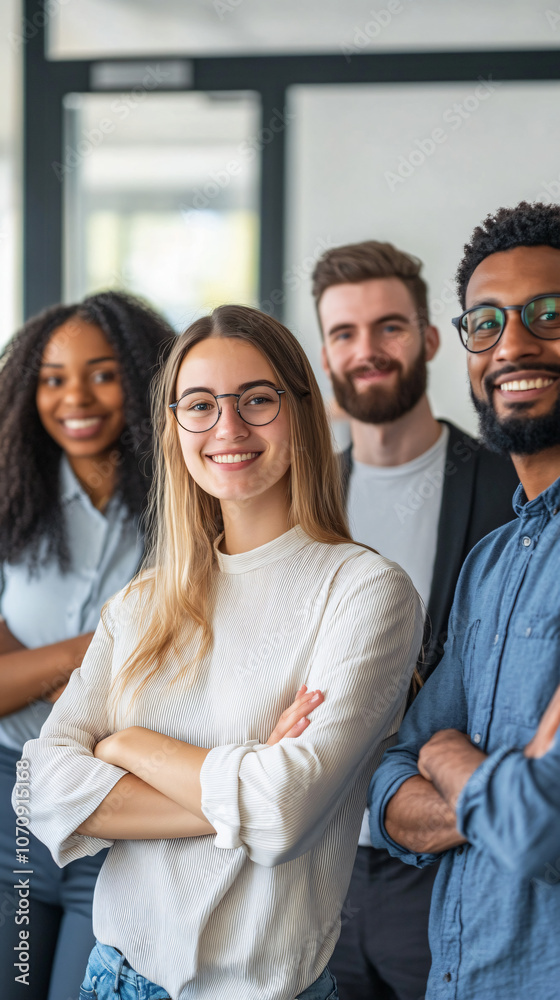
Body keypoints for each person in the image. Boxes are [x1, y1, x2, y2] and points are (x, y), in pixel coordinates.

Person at [20, 305, 423, 1000]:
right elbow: (44, 786)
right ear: (174, 429)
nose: (228, 429)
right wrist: (243, 788)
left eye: (257, 400)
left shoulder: (365, 591)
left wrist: (126, 745)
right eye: (200, 405)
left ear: (300, 412)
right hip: (113, 975)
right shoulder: (143, 601)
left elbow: (285, 811)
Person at [311, 240, 518, 1000]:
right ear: (326, 353)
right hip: (318, 860)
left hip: (448, 861)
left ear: (431, 339)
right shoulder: (305, 501)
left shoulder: (509, 488)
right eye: (344, 333)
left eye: (390, 327)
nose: (368, 351)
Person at [369, 201, 560, 998]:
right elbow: (386, 779)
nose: (513, 344)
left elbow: (543, 832)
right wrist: (496, 786)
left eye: (548, 314)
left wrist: (450, 759)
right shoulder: (490, 563)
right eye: (486, 322)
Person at [0, 291, 173, 1000]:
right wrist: (103, 648)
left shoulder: (185, 505)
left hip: (120, 821)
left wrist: (35, 666)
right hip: (11, 815)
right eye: (52, 376)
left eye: (102, 373)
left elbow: (177, 676)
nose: (75, 395)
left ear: (141, 378)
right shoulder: (10, 505)